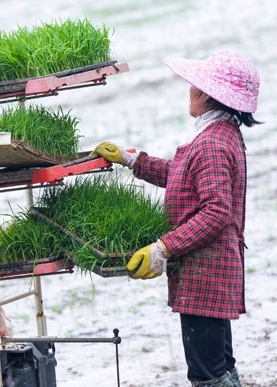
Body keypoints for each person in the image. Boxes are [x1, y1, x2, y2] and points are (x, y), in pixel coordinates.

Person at [92, 49, 261, 387]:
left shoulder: (211, 143)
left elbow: (217, 211)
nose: (189, 91)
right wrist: (132, 160)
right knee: (221, 365)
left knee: (206, 373)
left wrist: (162, 248)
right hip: (212, 274)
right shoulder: (220, 135)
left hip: (205, 276)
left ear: (208, 95)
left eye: (194, 85)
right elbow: (183, 175)